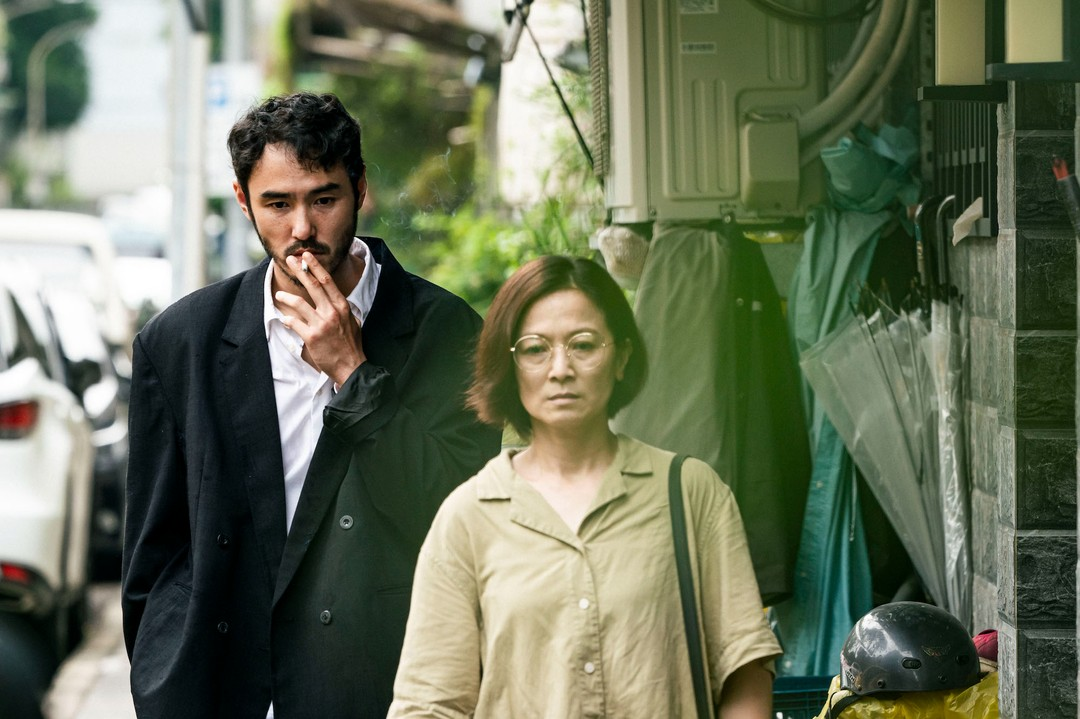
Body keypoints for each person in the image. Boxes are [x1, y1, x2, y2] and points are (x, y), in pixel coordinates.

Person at [120, 92, 502, 719]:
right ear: (243, 200)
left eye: (324, 199)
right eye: (278, 203)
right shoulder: (180, 342)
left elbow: (461, 516)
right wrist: (164, 683)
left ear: (361, 189)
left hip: (379, 688)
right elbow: (153, 555)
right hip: (225, 690)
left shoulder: (445, 330)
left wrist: (354, 373)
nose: (301, 228)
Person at [388, 255, 782, 718]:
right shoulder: (468, 517)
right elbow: (430, 704)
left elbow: (744, 670)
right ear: (509, 365)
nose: (560, 369)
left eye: (583, 345)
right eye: (535, 349)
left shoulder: (690, 492)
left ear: (622, 357)